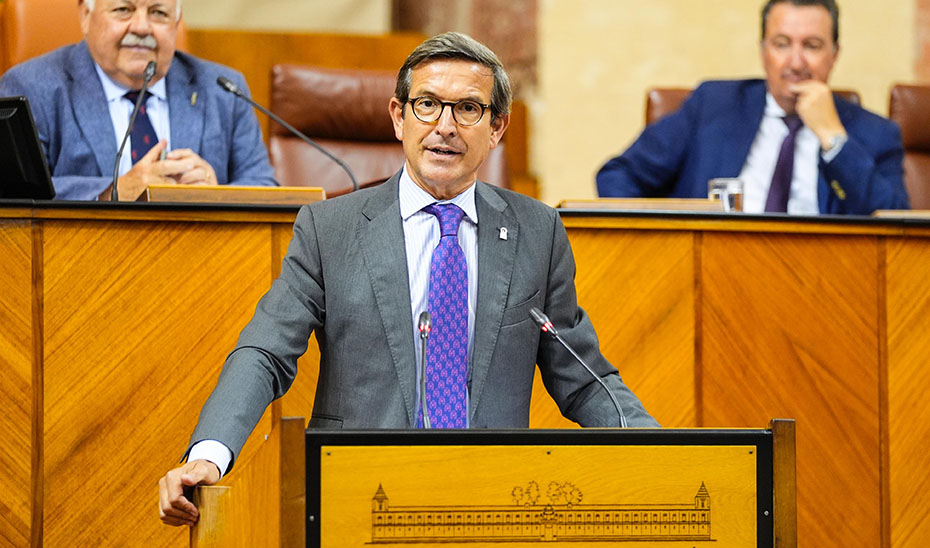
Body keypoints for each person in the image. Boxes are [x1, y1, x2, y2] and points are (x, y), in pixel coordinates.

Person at [158, 31, 658, 527]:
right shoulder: (329, 228)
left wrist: (664, 450)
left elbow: (582, 376)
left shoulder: (537, 232)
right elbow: (265, 351)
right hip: (356, 493)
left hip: (493, 498)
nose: (445, 126)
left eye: (468, 109)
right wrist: (211, 451)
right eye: (427, 105)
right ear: (398, 117)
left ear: (497, 128)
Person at [596, 0, 909, 215]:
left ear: (835, 54)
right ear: (763, 51)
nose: (796, 62)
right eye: (782, 44)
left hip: (823, 288)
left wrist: (833, 138)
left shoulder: (875, 134)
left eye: (811, 46)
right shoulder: (713, 105)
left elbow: (898, 229)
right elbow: (617, 176)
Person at [0, 0, 276, 201]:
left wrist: (217, 195)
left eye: (158, 13)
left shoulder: (223, 89)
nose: (142, 27)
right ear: (85, 15)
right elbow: (13, 193)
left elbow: (267, 188)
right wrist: (114, 191)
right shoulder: (33, 86)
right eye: (124, 10)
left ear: (176, 23)